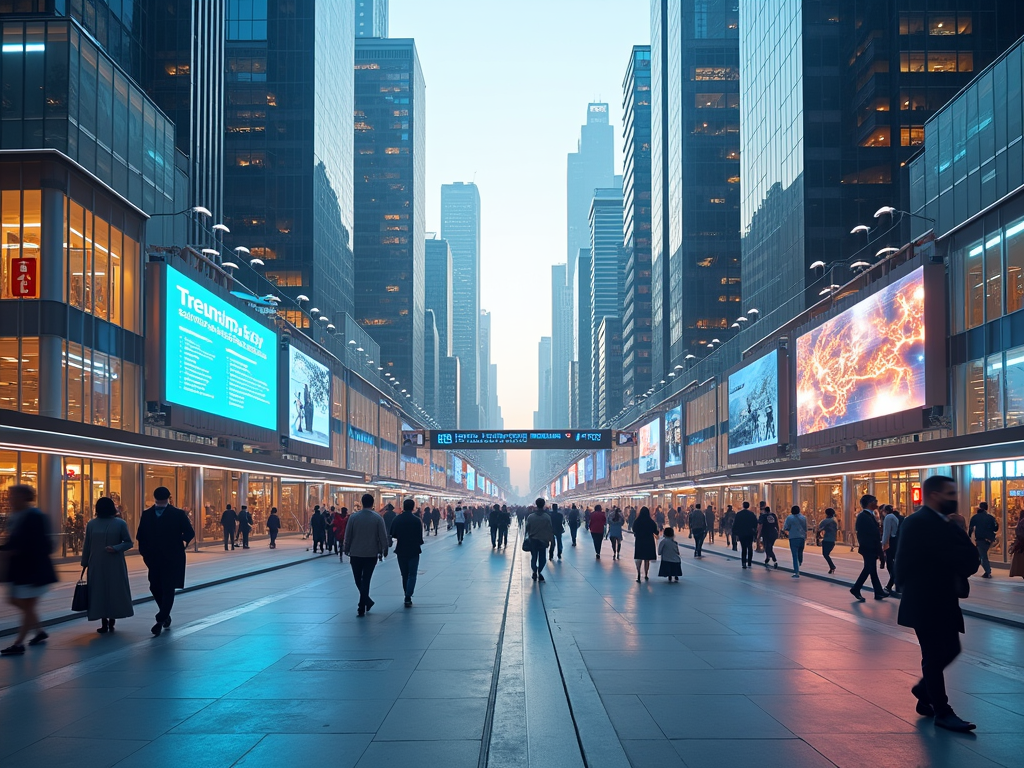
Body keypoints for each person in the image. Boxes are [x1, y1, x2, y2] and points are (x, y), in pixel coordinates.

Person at [896, 475, 981, 733]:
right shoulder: (917, 523)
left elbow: (970, 561)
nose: (954, 498)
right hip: (925, 600)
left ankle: (924, 693)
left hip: (945, 599)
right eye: (949, 493)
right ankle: (942, 711)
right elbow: (902, 564)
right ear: (933, 495)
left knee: (951, 649)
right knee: (934, 656)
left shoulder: (949, 524)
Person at [1, 485, 57, 655]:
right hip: (21, 570)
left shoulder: (35, 516)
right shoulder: (16, 516)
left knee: (28, 604)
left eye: (13, 496)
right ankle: (39, 631)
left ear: (24, 497)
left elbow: (43, 544)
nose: (9, 499)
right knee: (16, 601)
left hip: (33, 570)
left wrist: (17, 550)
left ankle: (19, 644)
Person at [136, 486, 195, 636]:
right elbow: (189, 532)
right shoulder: (150, 514)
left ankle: (161, 618)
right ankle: (165, 613)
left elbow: (140, 536)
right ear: (169, 497)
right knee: (156, 587)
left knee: (166, 587)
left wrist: (180, 544)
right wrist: (145, 554)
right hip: (156, 557)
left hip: (170, 557)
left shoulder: (175, 514)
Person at [82, 497, 134, 633]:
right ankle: (107, 620)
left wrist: (85, 562)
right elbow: (87, 544)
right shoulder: (93, 524)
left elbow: (129, 542)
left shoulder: (115, 524)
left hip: (99, 562)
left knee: (102, 590)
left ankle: (108, 620)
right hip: (112, 562)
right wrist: (117, 548)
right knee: (107, 590)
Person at [343, 494, 389, 616]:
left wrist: (346, 547)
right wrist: (384, 549)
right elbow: (382, 536)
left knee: (358, 579)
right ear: (372, 503)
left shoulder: (353, 517)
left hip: (355, 553)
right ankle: (364, 602)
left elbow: (348, 534)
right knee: (366, 579)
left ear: (362, 503)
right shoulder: (378, 518)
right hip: (371, 554)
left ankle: (362, 604)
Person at [850, 494, 887, 601]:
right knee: (868, 568)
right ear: (870, 503)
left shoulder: (869, 515)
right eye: (875, 501)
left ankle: (878, 592)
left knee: (871, 569)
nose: (877, 502)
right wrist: (878, 550)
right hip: (868, 547)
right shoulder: (864, 516)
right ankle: (856, 588)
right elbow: (872, 534)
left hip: (870, 546)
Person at [391, 499, 424, 607]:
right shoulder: (417, 520)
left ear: (403, 507)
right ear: (413, 507)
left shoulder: (397, 519)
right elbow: (420, 537)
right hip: (414, 550)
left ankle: (406, 593)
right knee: (412, 574)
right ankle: (408, 596)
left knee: (404, 574)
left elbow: (393, 534)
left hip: (401, 549)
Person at [968, 502, 999, 579]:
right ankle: (984, 570)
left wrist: (969, 536)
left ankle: (987, 571)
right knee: (982, 554)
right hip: (989, 538)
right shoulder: (991, 517)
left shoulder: (975, 517)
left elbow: (971, 528)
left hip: (980, 539)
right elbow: (995, 528)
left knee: (982, 555)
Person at [525, 499, 553, 581]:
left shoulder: (531, 517)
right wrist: (551, 541)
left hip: (533, 540)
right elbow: (550, 529)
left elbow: (527, 529)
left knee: (534, 557)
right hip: (543, 540)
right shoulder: (547, 517)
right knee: (543, 558)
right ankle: (540, 571)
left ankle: (534, 571)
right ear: (544, 505)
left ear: (536, 505)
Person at [632, 506, 658, 582]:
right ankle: (646, 574)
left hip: (639, 541)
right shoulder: (651, 521)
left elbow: (634, 529)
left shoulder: (637, 521)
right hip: (649, 541)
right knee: (647, 559)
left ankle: (638, 573)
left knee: (639, 558)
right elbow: (655, 531)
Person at [882, 505, 902, 593]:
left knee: (891, 564)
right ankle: (896, 585)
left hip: (891, 542)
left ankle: (891, 584)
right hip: (896, 541)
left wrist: (883, 543)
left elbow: (886, 532)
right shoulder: (896, 517)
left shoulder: (888, 517)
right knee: (894, 564)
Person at [784, 505, 808, 578]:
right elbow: (805, 528)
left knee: (794, 555)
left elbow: (786, 527)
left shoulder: (789, 518)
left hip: (793, 537)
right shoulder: (804, 518)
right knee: (800, 551)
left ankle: (796, 572)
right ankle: (800, 561)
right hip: (802, 537)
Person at [733, 502, 758, 569]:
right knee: (750, 547)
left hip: (742, 533)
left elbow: (735, 523)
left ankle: (744, 563)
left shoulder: (739, 514)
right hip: (750, 533)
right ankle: (749, 562)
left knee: (743, 548)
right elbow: (755, 523)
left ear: (743, 506)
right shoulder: (751, 514)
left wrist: (735, 532)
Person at [817, 508, 839, 574]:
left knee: (825, 554)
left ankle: (832, 566)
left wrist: (818, 538)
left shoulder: (825, 521)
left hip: (826, 539)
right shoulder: (835, 521)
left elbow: (819, 528)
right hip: (832, 540)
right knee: (827, 554)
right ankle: (831, 567)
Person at [1009, 513, 1024, 579]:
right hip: (1021, 546)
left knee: (1021, 565)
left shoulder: (1021, 523)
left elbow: (1020, 535)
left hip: (1021, 547)